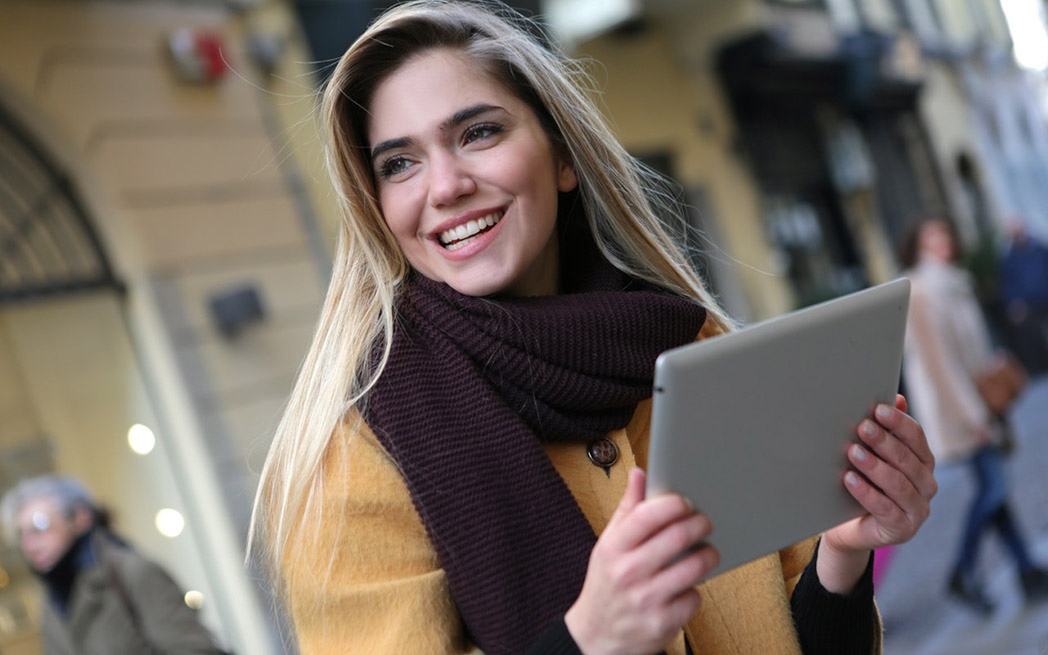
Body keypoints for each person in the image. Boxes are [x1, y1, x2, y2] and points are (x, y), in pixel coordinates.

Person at [249, 2, 936, 653]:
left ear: (564, 157)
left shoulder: (694, 352)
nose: (445, 185)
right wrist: (588, 638)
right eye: (400, 163)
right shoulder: (354, 453)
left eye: (478, 132)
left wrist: (844, 552)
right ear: (378, 207)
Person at [900, 218, 1048, 614]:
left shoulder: (954, 282)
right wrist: (971, 415)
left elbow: (969, 347)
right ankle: (962, 571)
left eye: (945, 235)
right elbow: (938, 363)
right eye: (932, 238)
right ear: (917, 246)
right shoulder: (922, 290)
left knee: (993, 483)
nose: (943, 243)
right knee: (993, 486)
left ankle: (1025, 569)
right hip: (960, 407)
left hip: (980, 399)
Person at [1, 475, 227, 654]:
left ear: (81, 518)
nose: (29, 543)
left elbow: (197, 650)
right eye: (21, 534)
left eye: (40, 526)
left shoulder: (132, 572)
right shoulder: (51, 602)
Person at [998, 219, 1048, 375]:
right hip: (1029, 305)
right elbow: (1008, 284)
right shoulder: (1009, 259)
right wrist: (1013, 303)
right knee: (1036, 337)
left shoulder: (1040, 249)